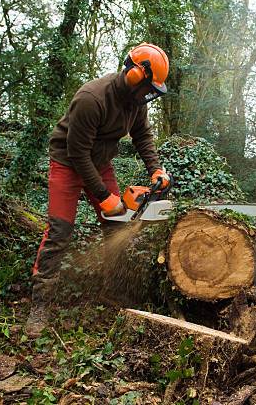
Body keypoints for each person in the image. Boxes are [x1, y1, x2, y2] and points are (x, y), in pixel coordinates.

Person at [25, 42, 172, 338]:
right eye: (147, 86)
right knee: (59, 231)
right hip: (69, 161)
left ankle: (113, 290)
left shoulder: (136, 101)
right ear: (133, 74)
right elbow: (77, 153)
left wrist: (155, 168)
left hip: (101, 161)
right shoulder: (92, 98)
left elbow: (142, 135)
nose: (149, 94)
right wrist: (104, 197)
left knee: (116, 226)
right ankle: (40, 303)